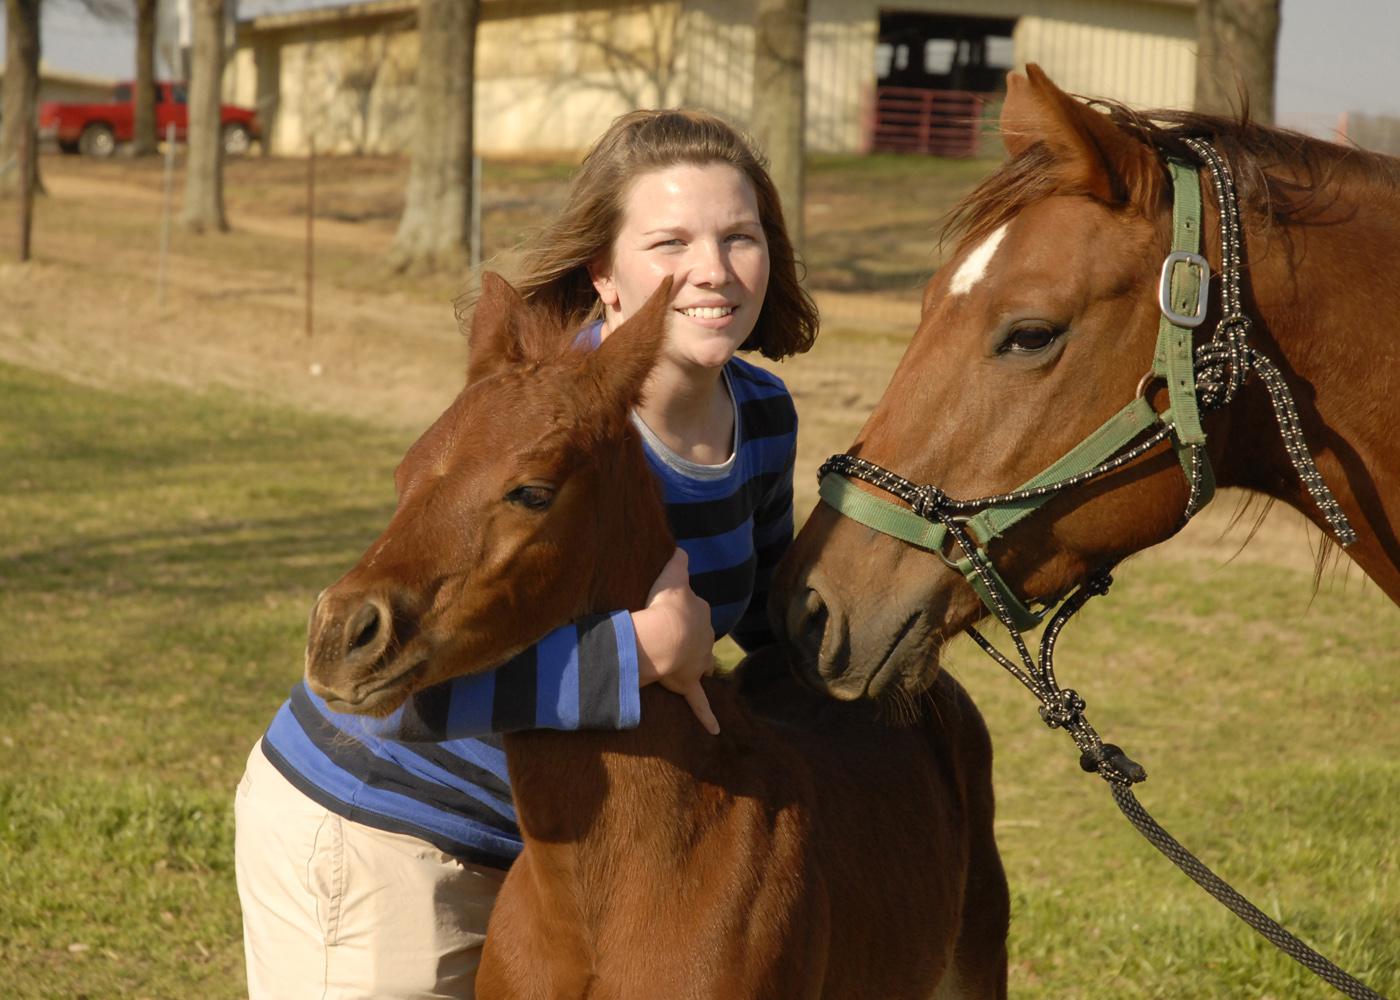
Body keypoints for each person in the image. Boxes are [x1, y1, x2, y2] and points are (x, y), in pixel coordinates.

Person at [234, 108, 819, 1000]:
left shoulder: (763, 413)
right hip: (390, 830)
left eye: (740, 236)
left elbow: (779, 620)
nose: (712, 269)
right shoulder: (540, 423)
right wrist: (641, 654)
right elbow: (379, 702)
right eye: (670, 241)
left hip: (563, 860)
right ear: (604, 273)